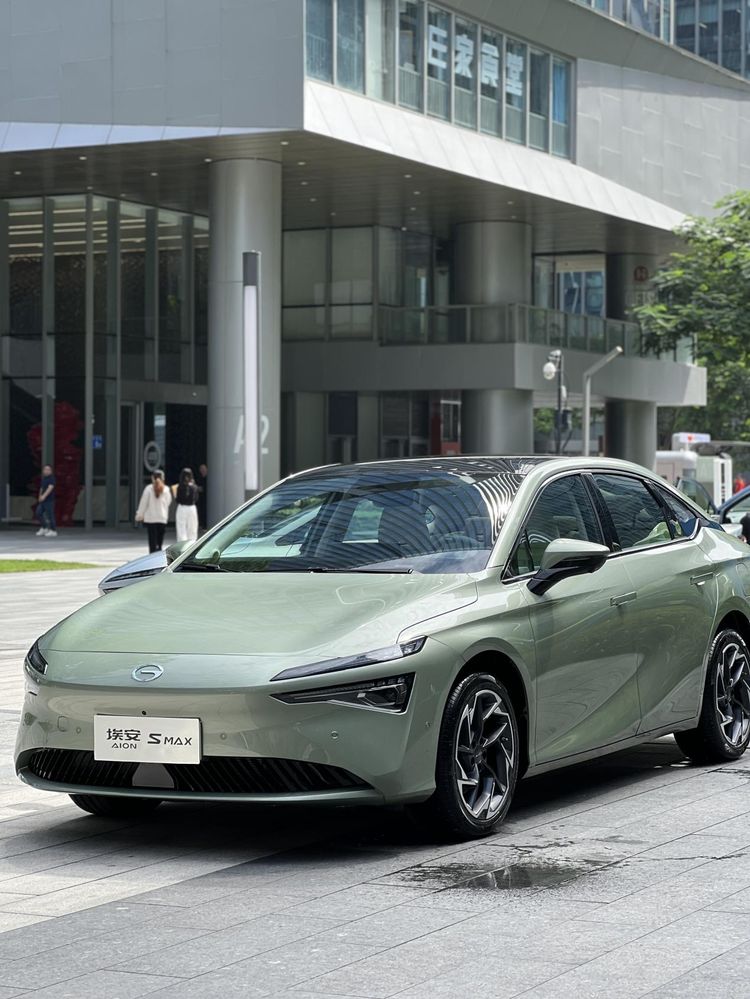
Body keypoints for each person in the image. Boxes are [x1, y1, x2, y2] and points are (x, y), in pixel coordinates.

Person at [135, 470, 172, 553]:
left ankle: (152, 557)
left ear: (152, 478)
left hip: (151, 519)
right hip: (162, 518)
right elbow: (168, 502)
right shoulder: (166, 489)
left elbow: (143, 503)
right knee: (159, 543)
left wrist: (139, 515)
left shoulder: (148, 489)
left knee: (152, 543)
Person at [171, 467, 199, 542]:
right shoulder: (194, 487)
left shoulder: (179, 487)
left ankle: (182, 545)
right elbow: (196, 498)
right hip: (192, 508)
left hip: (182, 508)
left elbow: (177, 500)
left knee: (181, 528)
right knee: (192, 528)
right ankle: (192, 544)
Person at [36, 464, 57, 537]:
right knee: (38, 513)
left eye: (48, 470)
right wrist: (39, 496)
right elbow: (41, 488)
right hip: (42, 500)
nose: (46, 471)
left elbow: (50, 488)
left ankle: (53, 530)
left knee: (50, 515)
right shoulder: (44, 479)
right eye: (45, 469)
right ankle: (44, 527)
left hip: (49, 500)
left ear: (51, 471)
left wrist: (44, 496)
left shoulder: (52, 479)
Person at [195, 462, 208, 530]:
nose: (202, 471)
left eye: (203, 469)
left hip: (207, 498)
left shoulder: (209, 478)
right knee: (201, 511)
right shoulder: (199, 478)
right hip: (201, 498)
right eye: (201, 470)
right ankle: (203, 525)